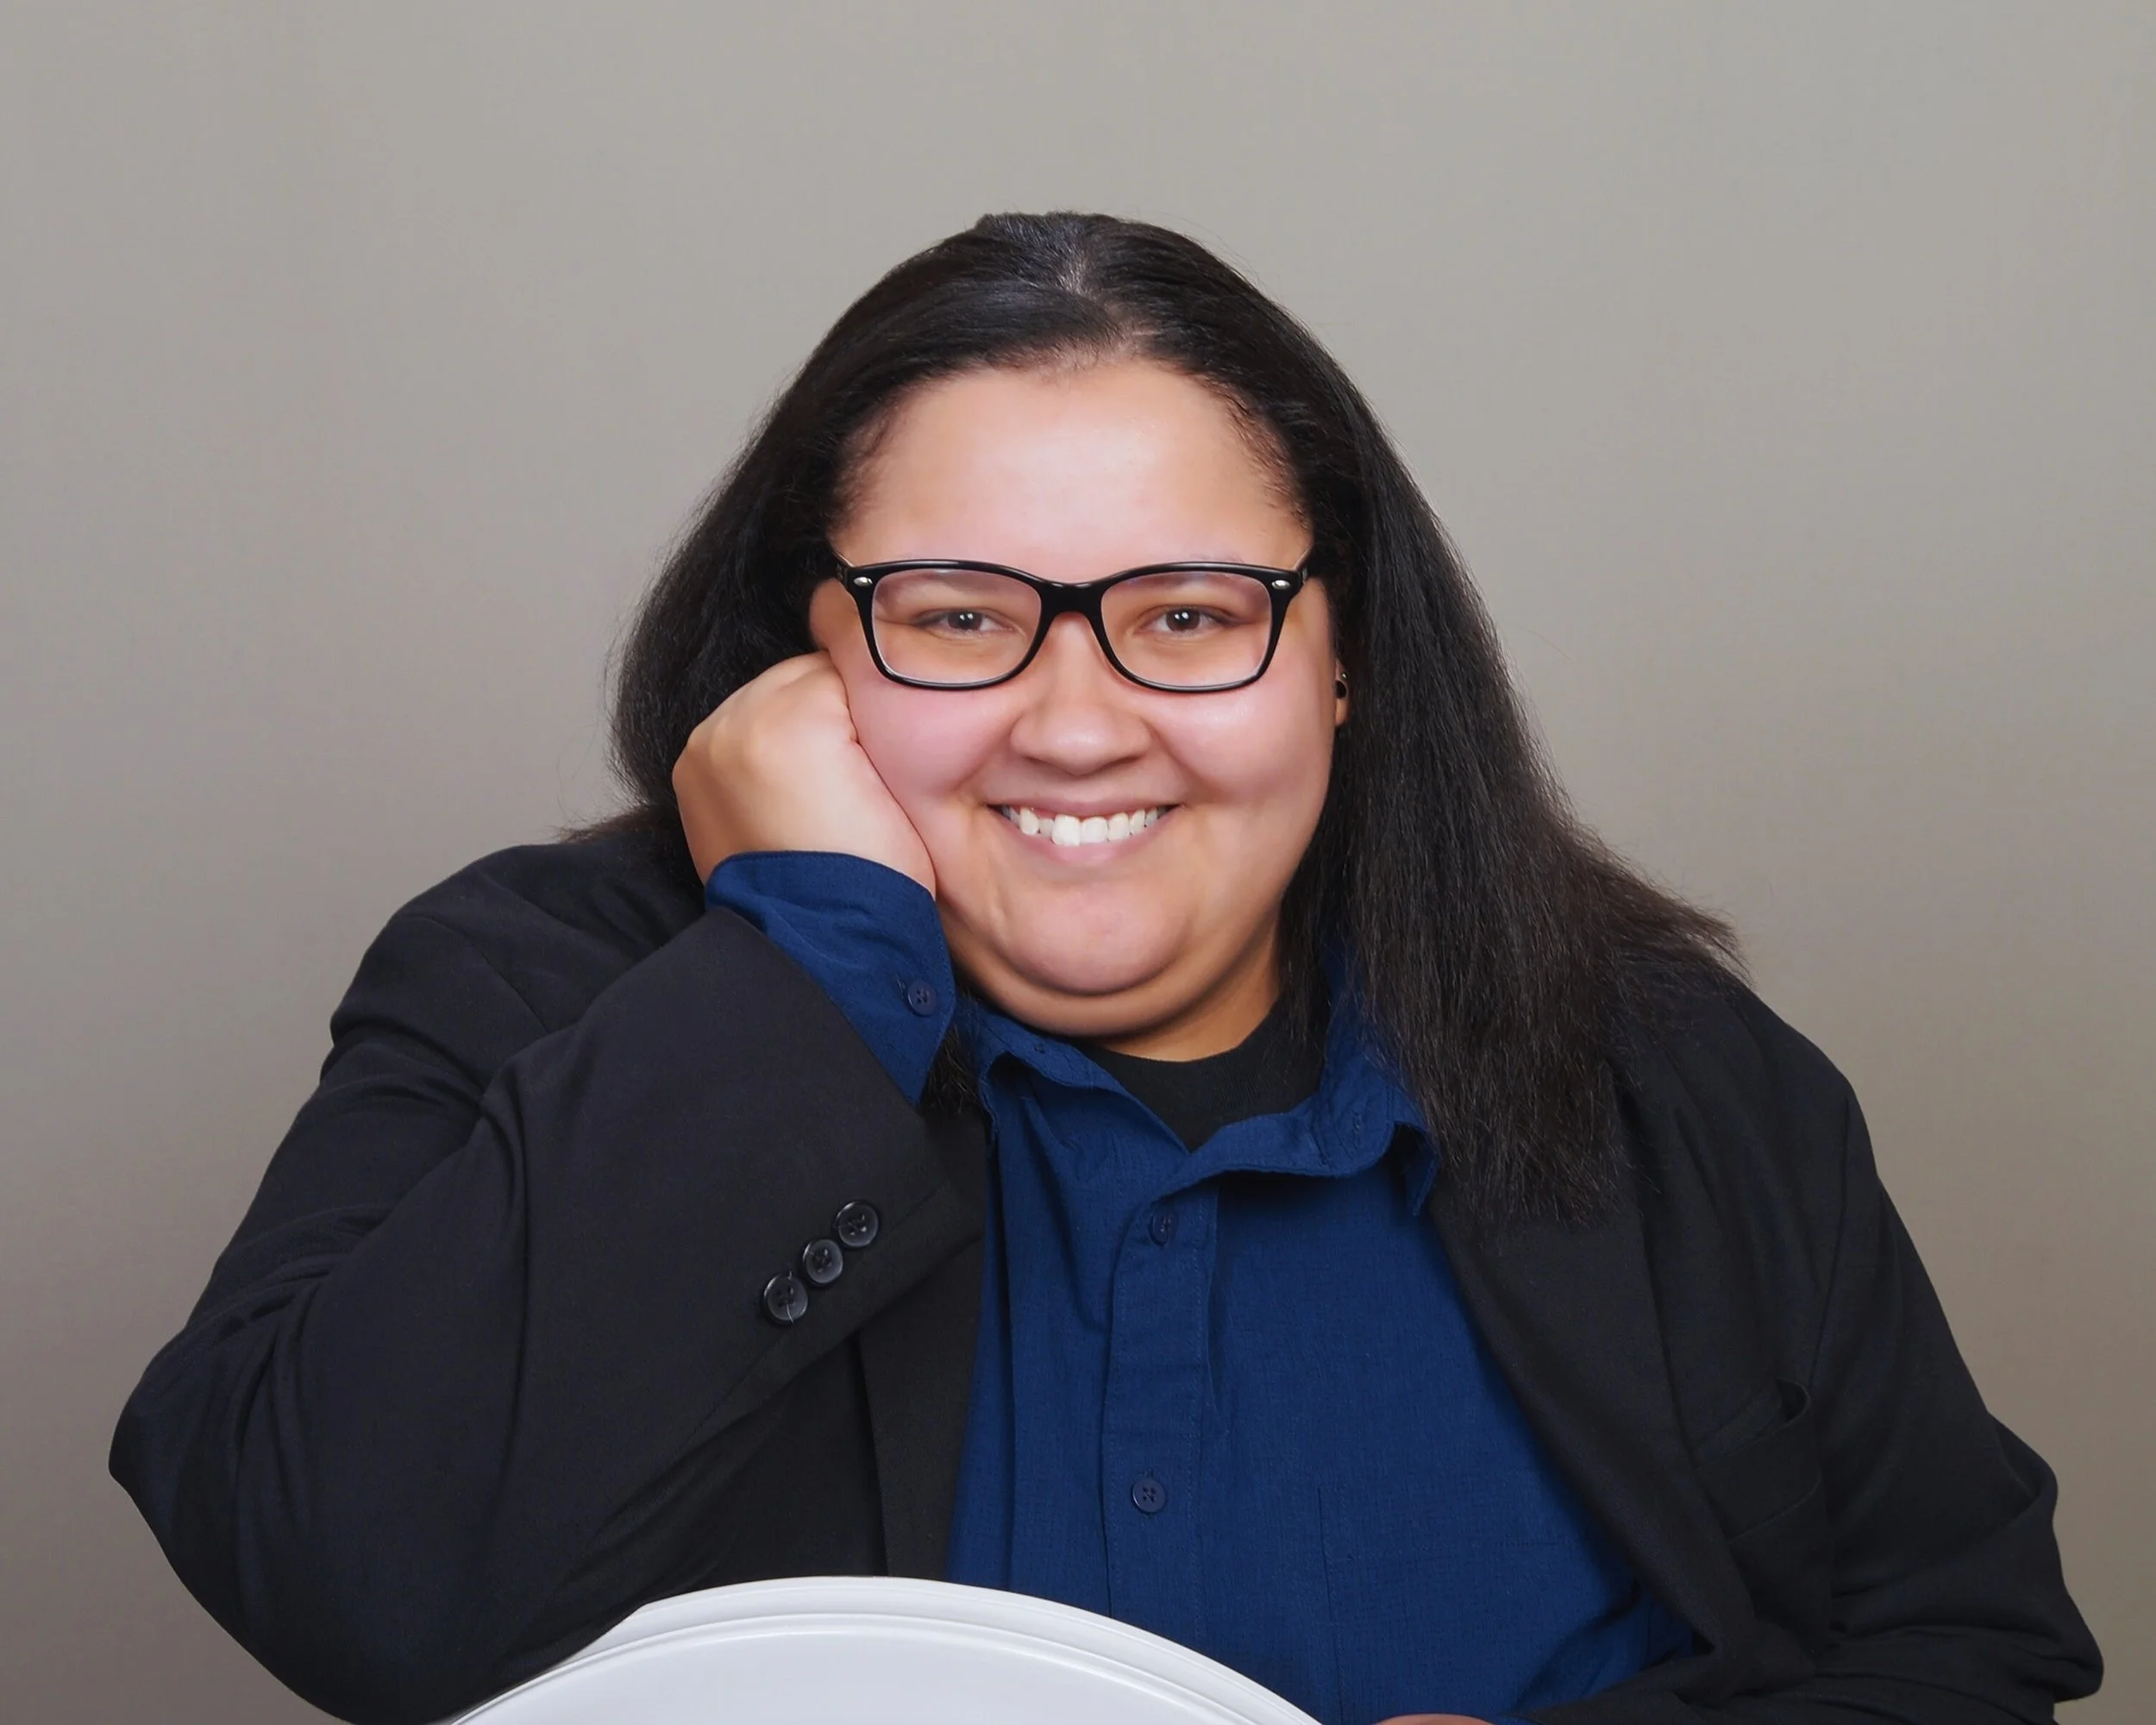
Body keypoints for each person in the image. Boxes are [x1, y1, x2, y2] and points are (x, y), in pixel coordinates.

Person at [111, 213, 2100, 1725]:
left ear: (1340, 652)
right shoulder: (544, 987)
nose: (1077, 722)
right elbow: (332, 1577)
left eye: (1186, 612)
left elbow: (1966, 1636)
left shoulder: (1679, 1078)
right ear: (794, 656)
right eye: (958, 616)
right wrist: (808, 959)